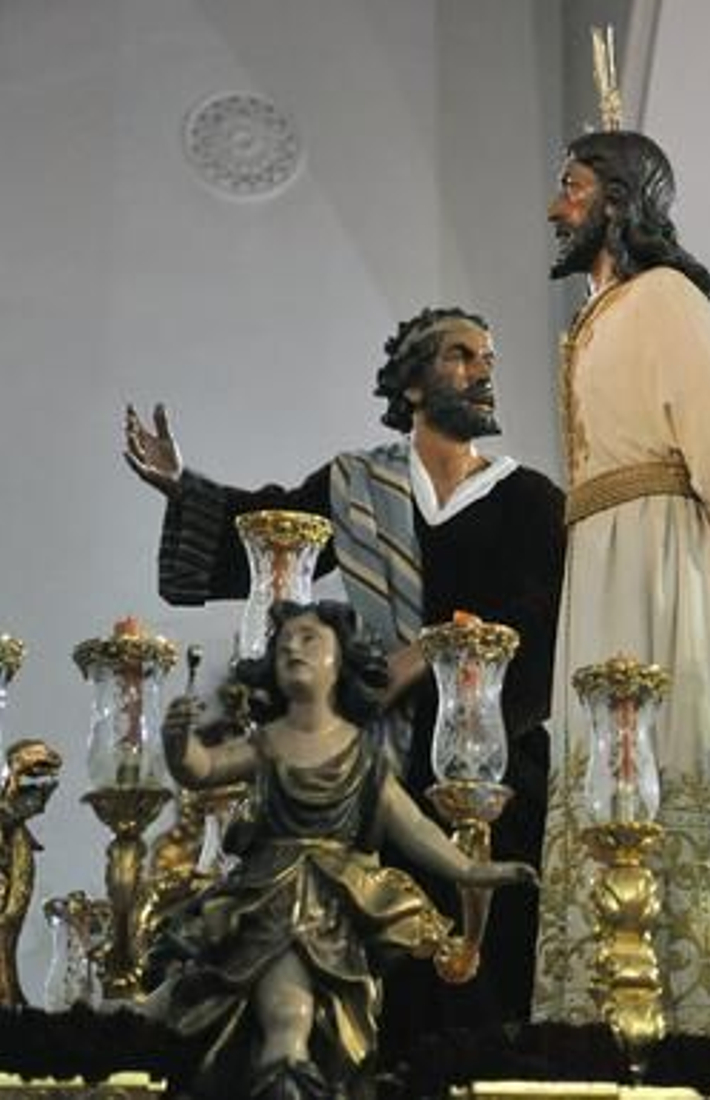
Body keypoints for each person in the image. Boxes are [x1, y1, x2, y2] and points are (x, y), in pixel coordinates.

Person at [123, 307, 564, 1032]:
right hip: (370, 752)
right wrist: (184, 488)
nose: (482, 372)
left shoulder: (532, 501)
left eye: (488, 359)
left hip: (489, 759)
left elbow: (546, 626)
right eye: (461, 356)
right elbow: (277, 530)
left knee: (491, 973)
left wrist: (433, 660)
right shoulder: (359, 482)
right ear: (413, 385)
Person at [535, 127, 710, 1033]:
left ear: (618, 201)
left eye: (573, 187)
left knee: (676, 751)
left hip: (665, 562)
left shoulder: (664, 297)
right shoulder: (597, 317)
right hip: (604, 559)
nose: (556, 208)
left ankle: (701, 1006)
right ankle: (603, 993)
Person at [154, 601, 536, 1100]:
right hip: (271, 905)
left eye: (309, 639)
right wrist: (177, 742)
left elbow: (414, 827)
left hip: (337, 913)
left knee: (330, 1033)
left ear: (342, 661)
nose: (293, 648)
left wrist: (472, 870)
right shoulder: (268, 743)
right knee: (287, 1017)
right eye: (284, 642)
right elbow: (203, 769)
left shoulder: (362, 755)